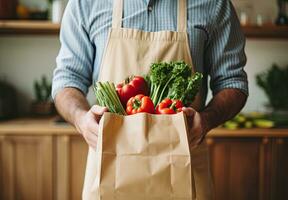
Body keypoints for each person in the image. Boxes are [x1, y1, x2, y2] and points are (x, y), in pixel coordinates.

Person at [52, 0, 248, 199]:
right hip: (110, 169)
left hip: (184, 169)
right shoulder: (85, 3)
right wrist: (81, 119)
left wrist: (206, 120)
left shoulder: (214, 4)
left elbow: (233, 81)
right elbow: (68, 79)